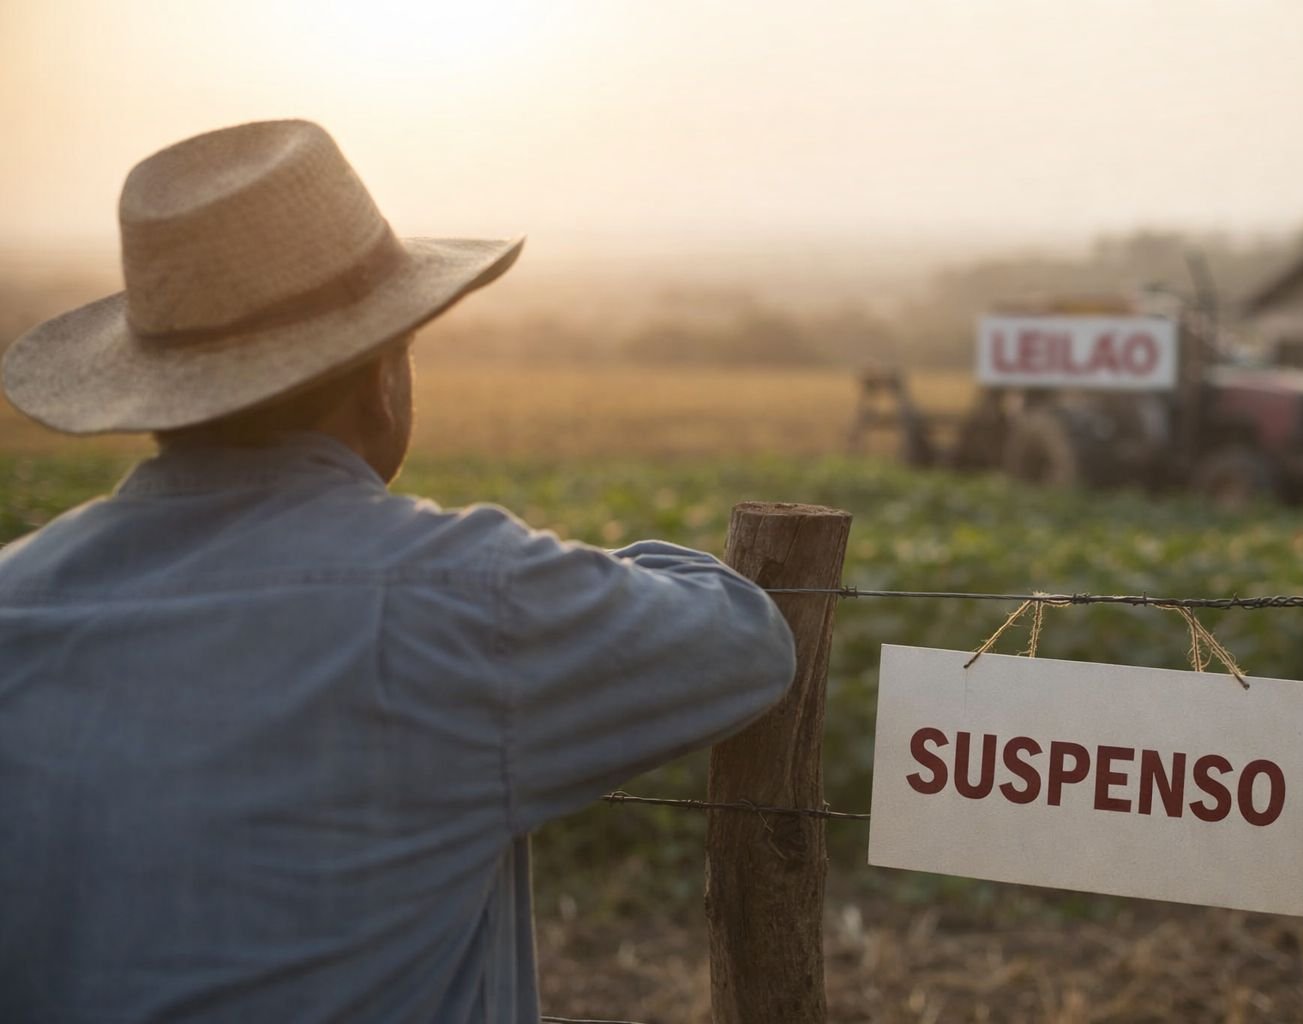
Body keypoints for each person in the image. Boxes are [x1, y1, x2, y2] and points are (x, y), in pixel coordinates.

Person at [0, 120, 797, 1023]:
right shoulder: (462, 602)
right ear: (382, 377)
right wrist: (569, 576)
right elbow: (744, 639)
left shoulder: (14, 598)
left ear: (154, 393)